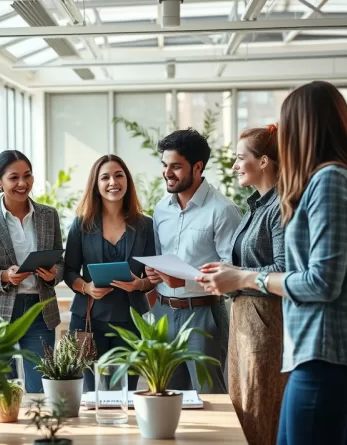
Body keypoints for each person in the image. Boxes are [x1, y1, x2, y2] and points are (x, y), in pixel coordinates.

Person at [199, 81, 347, 445]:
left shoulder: (330, 180)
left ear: (305, 126)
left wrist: (245, 277)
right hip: (324, 354)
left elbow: (321, 282)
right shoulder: (329, 179)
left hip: (328, 353)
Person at [145, 128, 241, 394]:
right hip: (163, 313)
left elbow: (234, 275)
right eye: (165, 165)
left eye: (176, 166)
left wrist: (188, 280)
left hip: (203, 314)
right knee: (163, 395)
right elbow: (158, 255)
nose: (167, 172)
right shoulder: (161, 208)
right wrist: (153, 272)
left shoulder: (223, 211)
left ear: (197, 166)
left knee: (207, 395)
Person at [213, 125, 286, 445]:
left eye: (241, 158)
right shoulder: (255, 206)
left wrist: (236, 276)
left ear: (265, 161)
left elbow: (285, 270)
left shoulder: (280, 207)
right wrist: (225, 272)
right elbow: (252, 265)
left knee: (260, 413)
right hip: (244, 318)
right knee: (243, 410)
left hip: (266, 321)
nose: (235, 166)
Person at [0, 150, 63, 393]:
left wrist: (54, 275)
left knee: (40, 386)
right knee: (2, 390)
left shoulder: (48, 215)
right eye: (14, 178)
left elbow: (61, 264)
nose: (23, 184)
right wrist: (4, 276)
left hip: (40, 311)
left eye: (27, 176)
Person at [64, 155, 155, 391]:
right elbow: (69, 270)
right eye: (105, 177)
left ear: (127, 181)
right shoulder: (81, 225)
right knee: (90, 392)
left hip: (131, 319)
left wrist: (140, 285)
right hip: (89, 319)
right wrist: (86, 287)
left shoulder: (146, 225)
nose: (113, 182)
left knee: (126, 390)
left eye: (118, 175)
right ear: (96, 184)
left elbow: (152, 276)